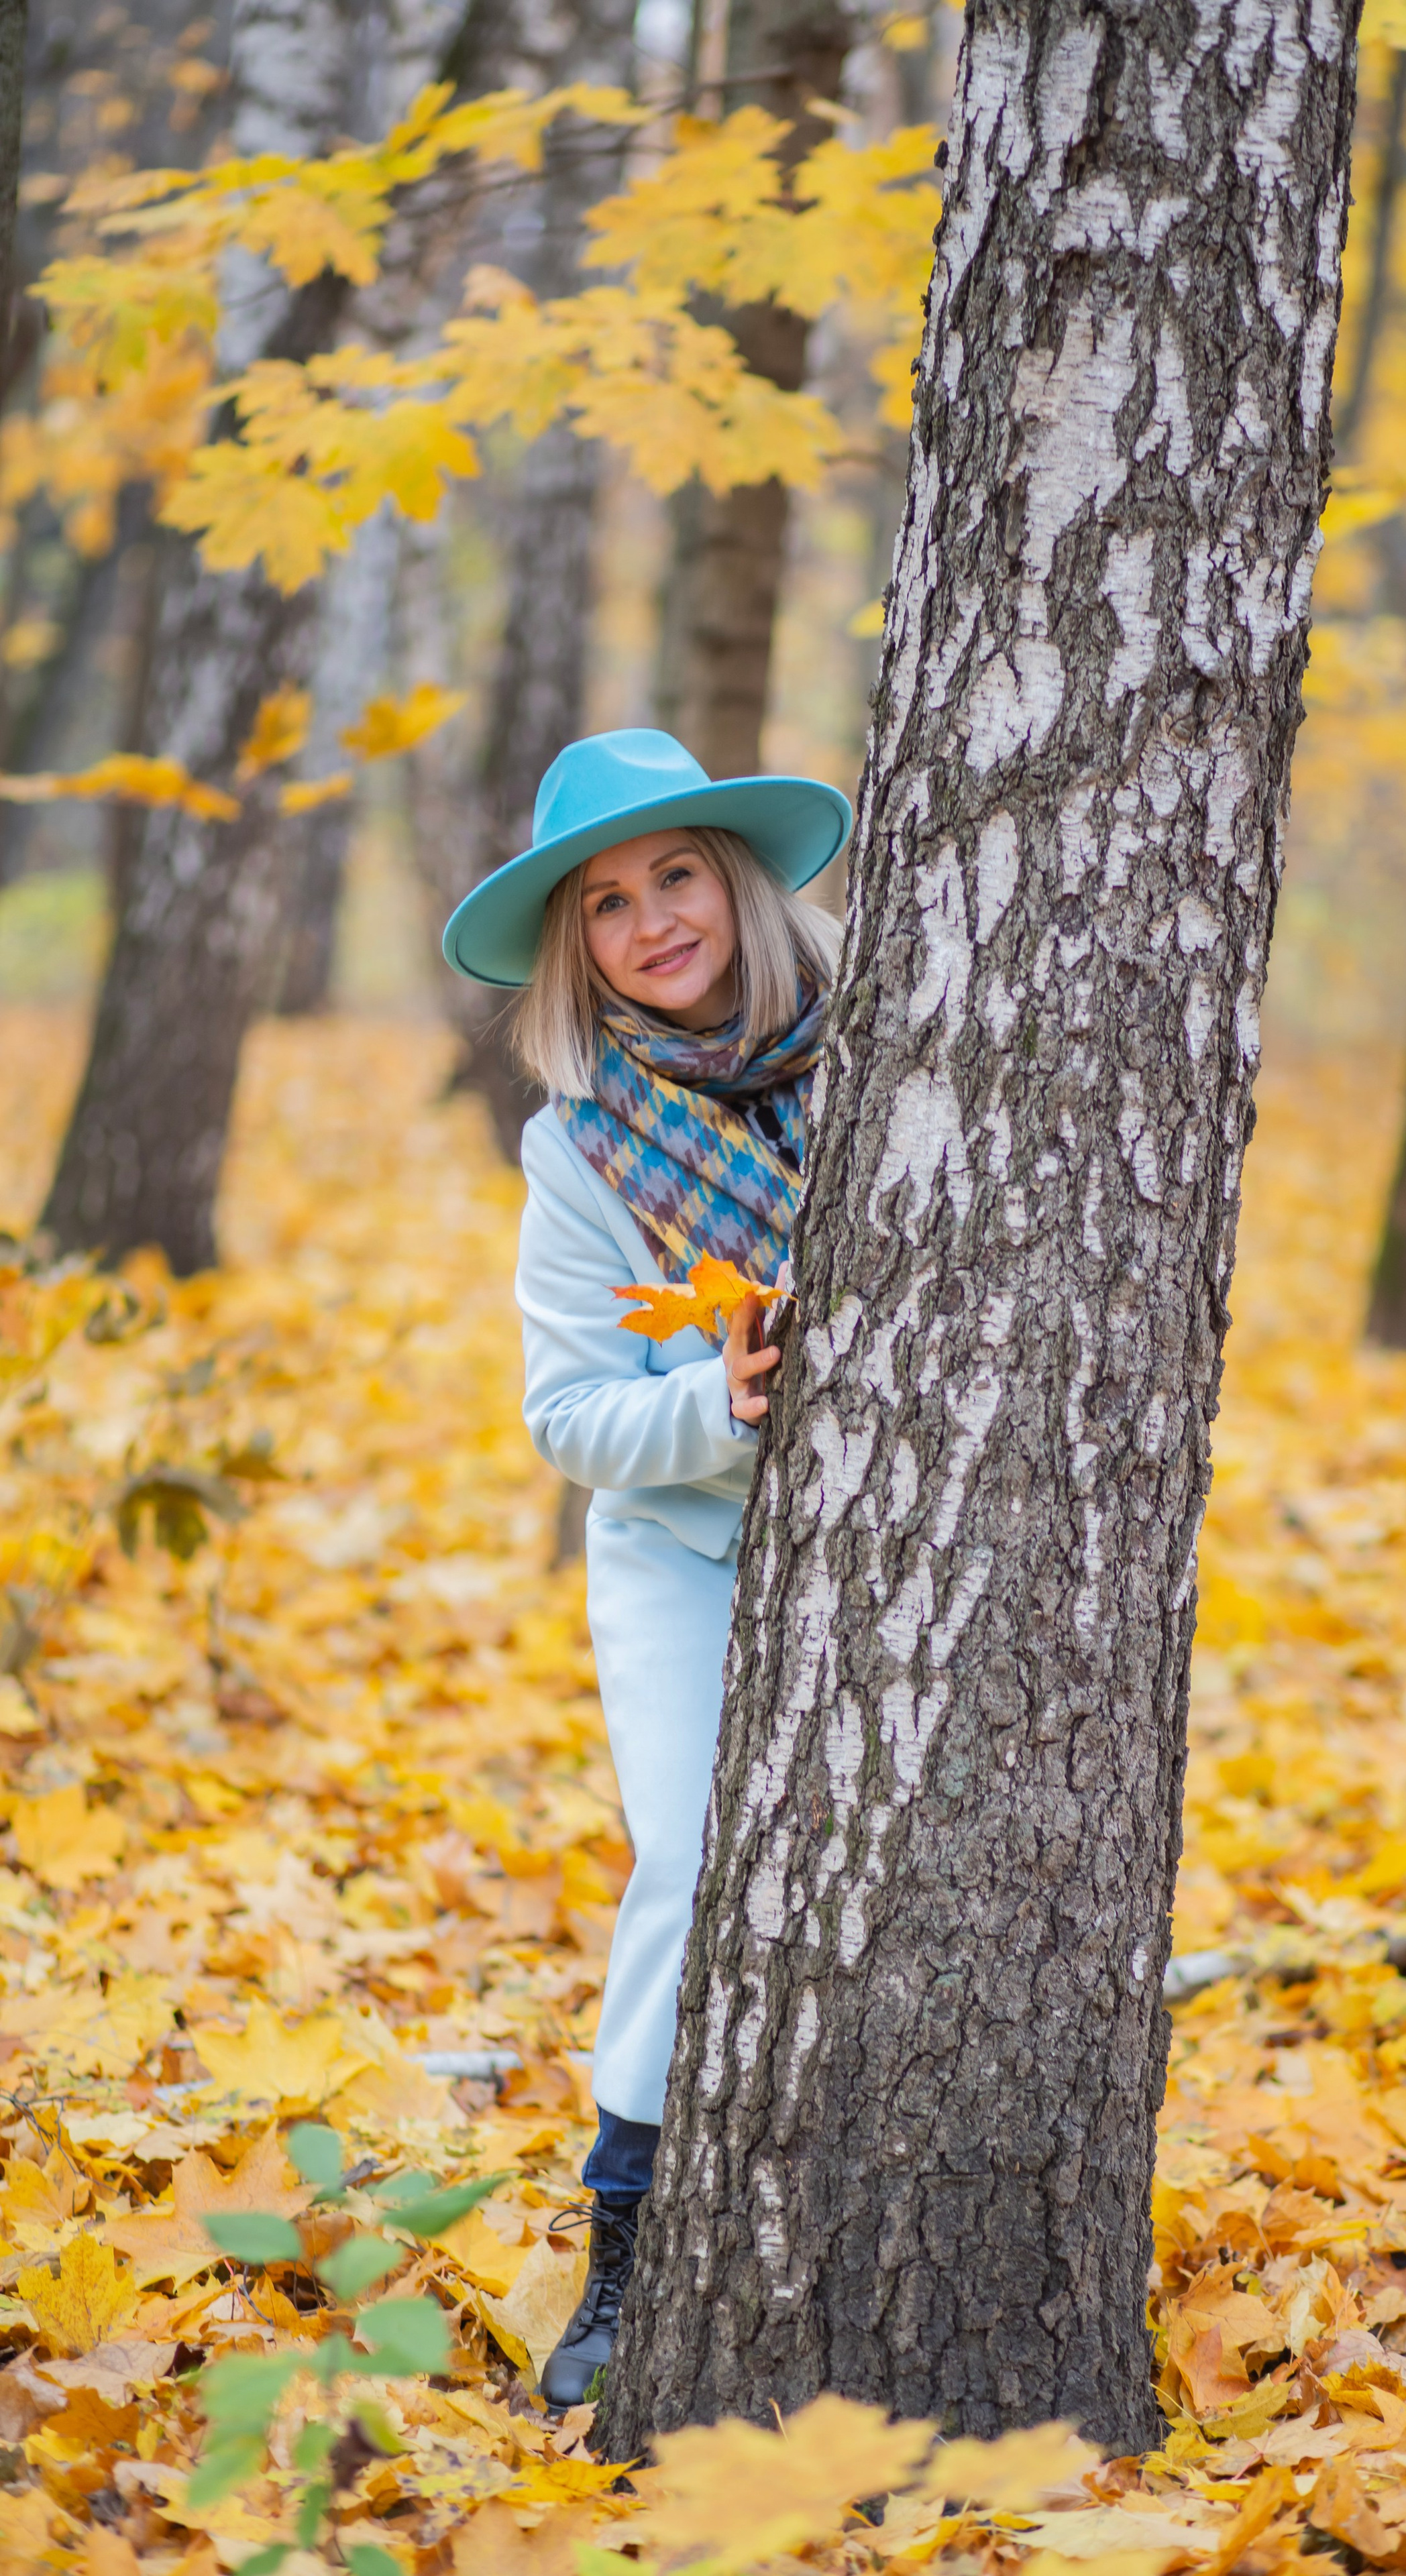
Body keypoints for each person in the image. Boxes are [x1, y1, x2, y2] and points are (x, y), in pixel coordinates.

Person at [441, 728, 849, 2408]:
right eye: (605, 902)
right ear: (575, 946)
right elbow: (569, 1415)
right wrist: (716, 1397)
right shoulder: (582, 1144)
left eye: (676, 872)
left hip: (886, 1548)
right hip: (685, 1546)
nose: (652, 919)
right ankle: (622, 2245)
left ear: (735, 879)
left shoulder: (890, 1054)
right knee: (691, 1861)